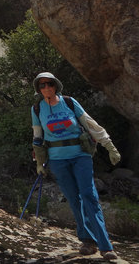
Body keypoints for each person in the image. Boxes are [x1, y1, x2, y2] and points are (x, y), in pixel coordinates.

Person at [31, 72, 122, 260]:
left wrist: (109, 146)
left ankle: (105, 246)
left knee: (88, 195)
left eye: (49, 84)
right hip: (57, 161)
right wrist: (40, 163)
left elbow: (90, 124)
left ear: (56, 85)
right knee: (74, 199)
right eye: (42, 86)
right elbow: (38, 137)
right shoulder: (37, 109)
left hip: (80, 156)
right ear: (39, 89)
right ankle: (87, 241)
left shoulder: (69, 102)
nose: (46, 88)